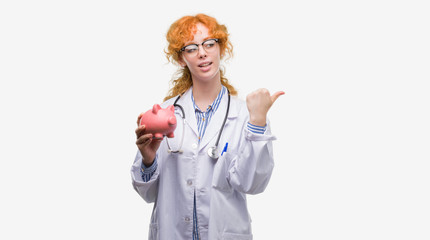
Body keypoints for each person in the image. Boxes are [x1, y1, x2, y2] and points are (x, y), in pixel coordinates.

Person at [131, 13, 284, 240]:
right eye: (191, 48)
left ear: (220, 48)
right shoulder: (164, 114)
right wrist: (148, 160)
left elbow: (252, 184)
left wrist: (258, 124)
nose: (202, 52)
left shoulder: (247, 115)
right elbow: (149, 193)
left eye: (209, 44)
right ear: (182, 59)